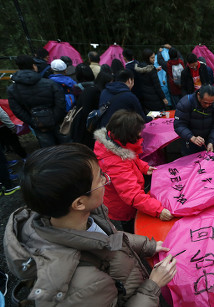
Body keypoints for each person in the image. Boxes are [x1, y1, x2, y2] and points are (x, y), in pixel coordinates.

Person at [4, 143, 177, 305]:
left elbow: (111, 239)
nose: (105, 180)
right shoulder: (81, 285)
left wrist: (148, 245)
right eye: (99, 177)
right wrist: (153, 285)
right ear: (79, 203)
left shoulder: (74, 217)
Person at [94, 110, 173, 233]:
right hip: (122, 209)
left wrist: (144, 168)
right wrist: (158, 210)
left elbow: (131, 157)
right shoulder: (114, 163)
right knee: (133, 232)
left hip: (128, 200)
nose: (140, 136)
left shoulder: (115, 142)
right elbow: (132, 194)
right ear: (127, 136)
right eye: (138, 135)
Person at [8, 55, 66, 148]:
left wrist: (33, 121)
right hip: (57, 121)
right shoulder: (49, 83)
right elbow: (61, 102)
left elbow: (17, 110)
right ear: (34, 66)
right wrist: (55, 118)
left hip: (37, 124)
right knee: (68, 147)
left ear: (18, 67)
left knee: (49, 150)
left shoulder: (12, 89)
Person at [174, 85, 214, 155]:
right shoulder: (186, 103)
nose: (207, 105)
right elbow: (179, 125)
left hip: (207, 142)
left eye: (210, 103)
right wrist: (192, 138)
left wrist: (212, 141)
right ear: (198, 95)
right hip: (190, 142)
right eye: (205, 102)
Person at [71, 72, 113, 148]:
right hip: (85, 126)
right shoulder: (95, 91)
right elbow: (88, 111)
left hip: (81, 123)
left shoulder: (90, 88)